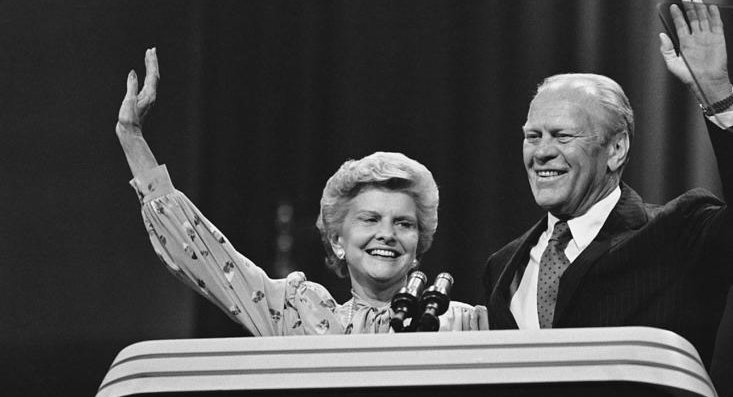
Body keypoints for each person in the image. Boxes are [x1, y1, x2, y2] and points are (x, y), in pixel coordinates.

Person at [483, 0, 733, 368]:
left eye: (562, 136)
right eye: (532, 136)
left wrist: (716, 93)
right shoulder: (502, 266)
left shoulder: (678, 236)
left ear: (616, 149)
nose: (541, 152)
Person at [117, 48, 488, 334]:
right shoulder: (300, 314)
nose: (387, 234)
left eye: (404, 223)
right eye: (370, 219)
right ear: (338, 240)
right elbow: (206, 257)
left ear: (419, 245)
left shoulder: (458, 322)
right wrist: (132, 138)